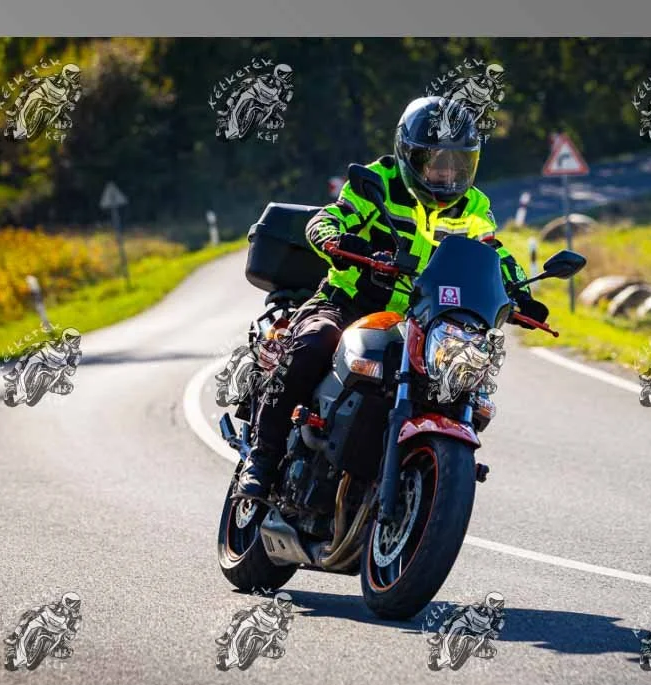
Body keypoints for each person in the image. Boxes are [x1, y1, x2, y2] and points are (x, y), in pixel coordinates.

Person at [235, 96, 548, 499]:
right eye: (435, 161)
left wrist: (521, 292)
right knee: (314, 342)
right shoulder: (377, 182)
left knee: (462, 383)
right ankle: (262, 458)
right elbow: (330, 216)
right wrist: (334, 239)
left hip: (424, 321)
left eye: (458, 163)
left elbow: (493, 252)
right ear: (408, 154)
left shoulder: (474, 205)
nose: (447, 173)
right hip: (349, 303)